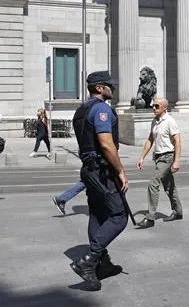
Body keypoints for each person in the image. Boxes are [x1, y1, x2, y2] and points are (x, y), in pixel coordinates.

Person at [69, 71, 128, 290]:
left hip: (89, 169)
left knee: (98, 214)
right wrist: (120, 170)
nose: (113, 88)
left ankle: (102, 264)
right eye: (109, 85)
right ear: (100, 88)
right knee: (119, 216)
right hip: (103, 171)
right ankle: (89, 260)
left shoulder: (81, 110)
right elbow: (106, 144)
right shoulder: (101, 108)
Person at [135, 98, 183, 228]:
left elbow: (177, 141)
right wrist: (141, 157)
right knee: (168, 185)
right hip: (158, 156)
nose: (154, 108)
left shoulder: (170, 121)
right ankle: (178, 211)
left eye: (157, 106)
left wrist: (176, 161)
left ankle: (150, 218)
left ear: (164, 108)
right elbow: (150, 139)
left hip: (167, 156)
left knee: (153, 183)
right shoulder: (155, 121)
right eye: (153, 106)